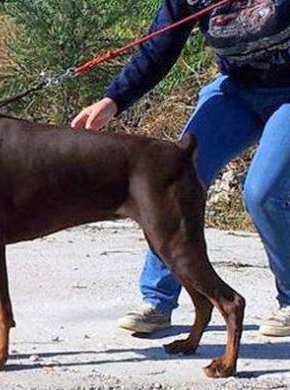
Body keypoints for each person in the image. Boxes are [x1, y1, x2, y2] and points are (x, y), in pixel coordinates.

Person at [72, 0, 290, 337]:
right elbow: (159, 46)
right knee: (173, 180)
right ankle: (158, 301)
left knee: (262, 193)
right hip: (236, 90)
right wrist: (113, 100)